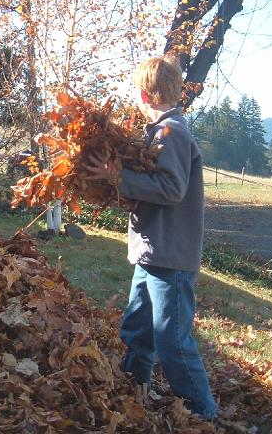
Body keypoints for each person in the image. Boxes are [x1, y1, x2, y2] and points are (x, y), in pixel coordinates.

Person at [85, 56, 218, 421]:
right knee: (137, 326)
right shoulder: (159, 131)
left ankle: (203, 412)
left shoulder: (172, 133)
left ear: (144, 94)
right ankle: (135, 386)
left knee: (171, 339)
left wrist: (119, 178)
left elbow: (172, 189)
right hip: (151, 253)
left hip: (170, 257)